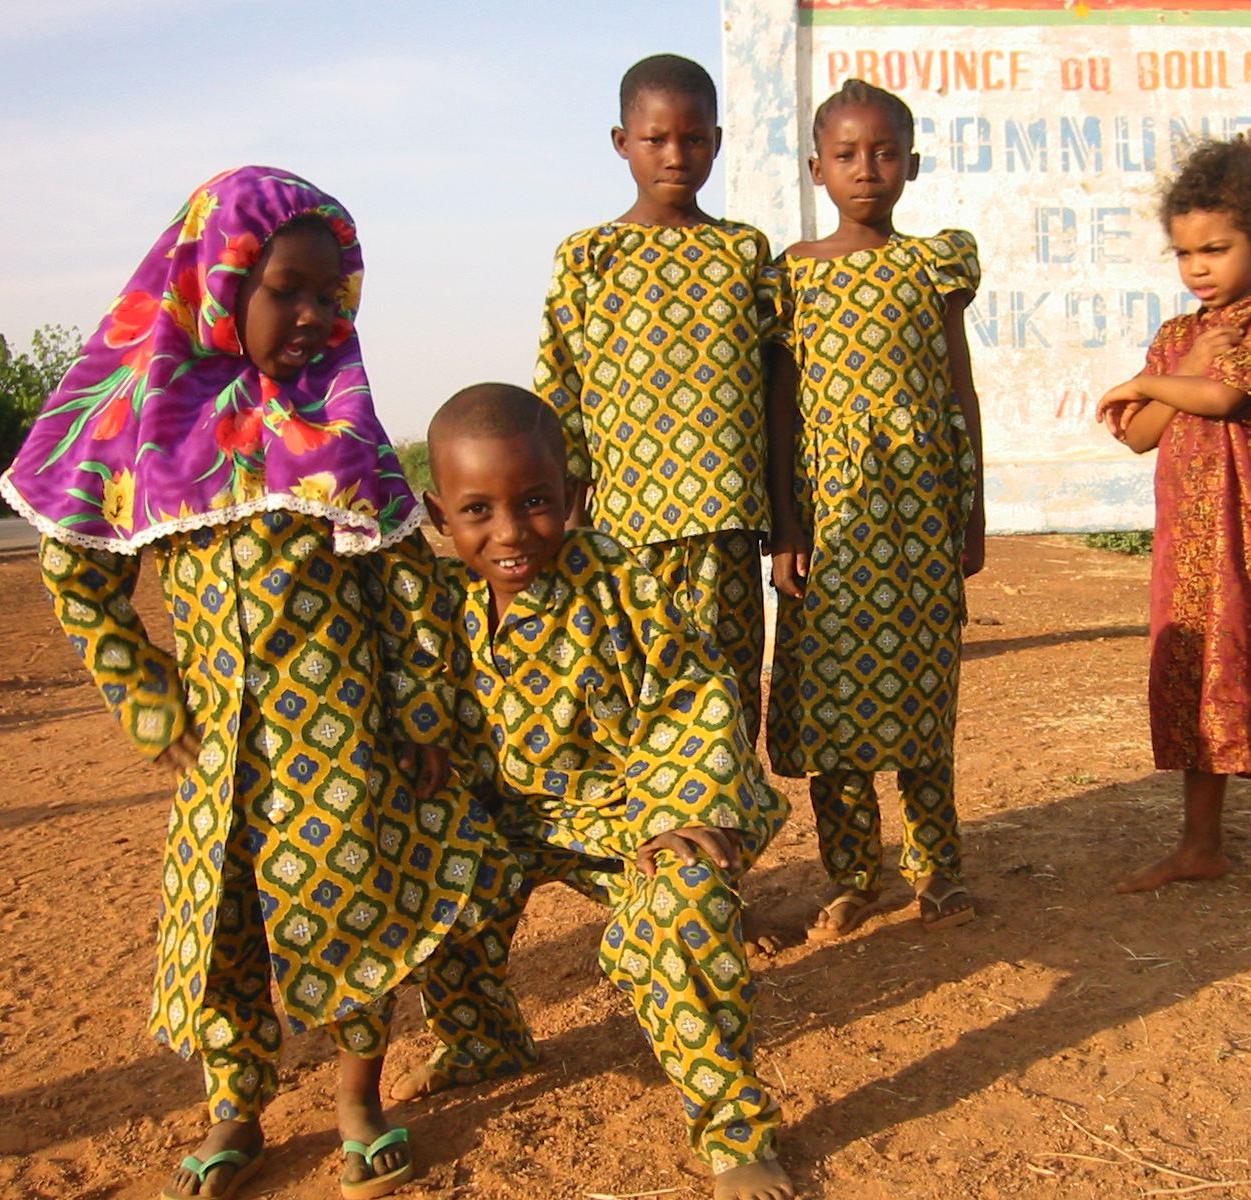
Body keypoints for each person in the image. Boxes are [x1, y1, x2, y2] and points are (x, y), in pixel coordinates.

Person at [0, 167, 517, 1200]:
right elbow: (78, 573)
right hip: (219, 757)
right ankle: (235, 1113)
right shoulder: (147, 427)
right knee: (223, 937)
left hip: (343, 743)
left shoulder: (338, 424)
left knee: (355, 915)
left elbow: (407, 585)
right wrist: (149, 703)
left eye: (335, 296)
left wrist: (417, 714)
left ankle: (358, 1101)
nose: (315, 316)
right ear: (219, 278)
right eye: (291, 289)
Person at [414, 383, 795, 1200]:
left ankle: (734, 1132)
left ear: (576, 497)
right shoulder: (431, 606)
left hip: (633, 814)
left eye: (538, 502)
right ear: (438, 514)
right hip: (497, 821)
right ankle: (482, 1043)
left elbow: (692, 696)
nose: (512, 533)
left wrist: (684, 810)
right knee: (425, 878)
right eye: (478, 510)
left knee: (684, 910)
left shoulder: (624, 585)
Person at [765, 79, 985, 941]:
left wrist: (970, 513)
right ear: (818, 168)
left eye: (886, 152)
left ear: (913, 165)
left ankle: (939, 868)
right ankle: (854, 874)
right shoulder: (791, 278)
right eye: (849, 155)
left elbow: (961, 393)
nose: (868, 170)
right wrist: (787, 528)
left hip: (921, 517)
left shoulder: (935, 266)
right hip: (833, 523)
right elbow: (781, 412)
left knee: (926, 702)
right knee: (832, 707)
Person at [1094, 127, 1251, 921]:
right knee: (1193, 683)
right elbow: (1141, 432)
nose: (1200, 269)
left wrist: (1150, 380)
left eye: (1216, 250)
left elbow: (1227, 400)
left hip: (1250, 535)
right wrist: (1173, 370)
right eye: (1186, 254)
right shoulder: (1180, 336)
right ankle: (1201, 845)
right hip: (1183, 543)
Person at [534, 53, 775, 746]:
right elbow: (561, 391)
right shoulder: (588, 257)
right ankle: (649, 851)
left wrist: (786, 517)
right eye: (656, 139)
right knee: (634, 702)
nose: (677, 154)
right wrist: (566, 516)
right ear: (621, 143)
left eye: (695, 138)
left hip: (727, 526)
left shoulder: (743, 253)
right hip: (624, 530)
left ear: (716, 143)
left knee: (728, 703)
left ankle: (726, 853)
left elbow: (775, 385)